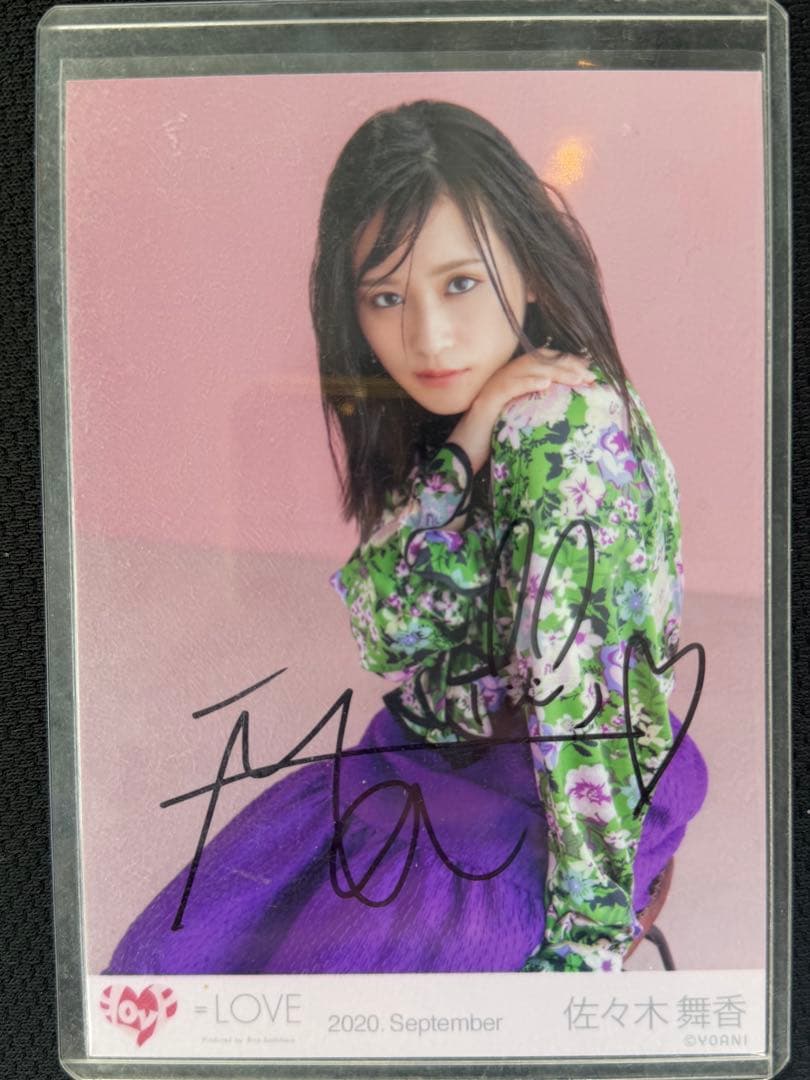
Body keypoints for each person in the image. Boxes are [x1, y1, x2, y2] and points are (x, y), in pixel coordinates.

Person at [105, 99, 708, 976]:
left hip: (548, 802)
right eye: (386, 298)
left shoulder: (561, 433)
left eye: (460, 283)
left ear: (528, 268)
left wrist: (581, 954)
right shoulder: (487, 410)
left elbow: (585, 717)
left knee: (308, 993)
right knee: (178, 961)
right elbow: (385, 626)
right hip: (431, 759)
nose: (425, 337)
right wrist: (466, 441)